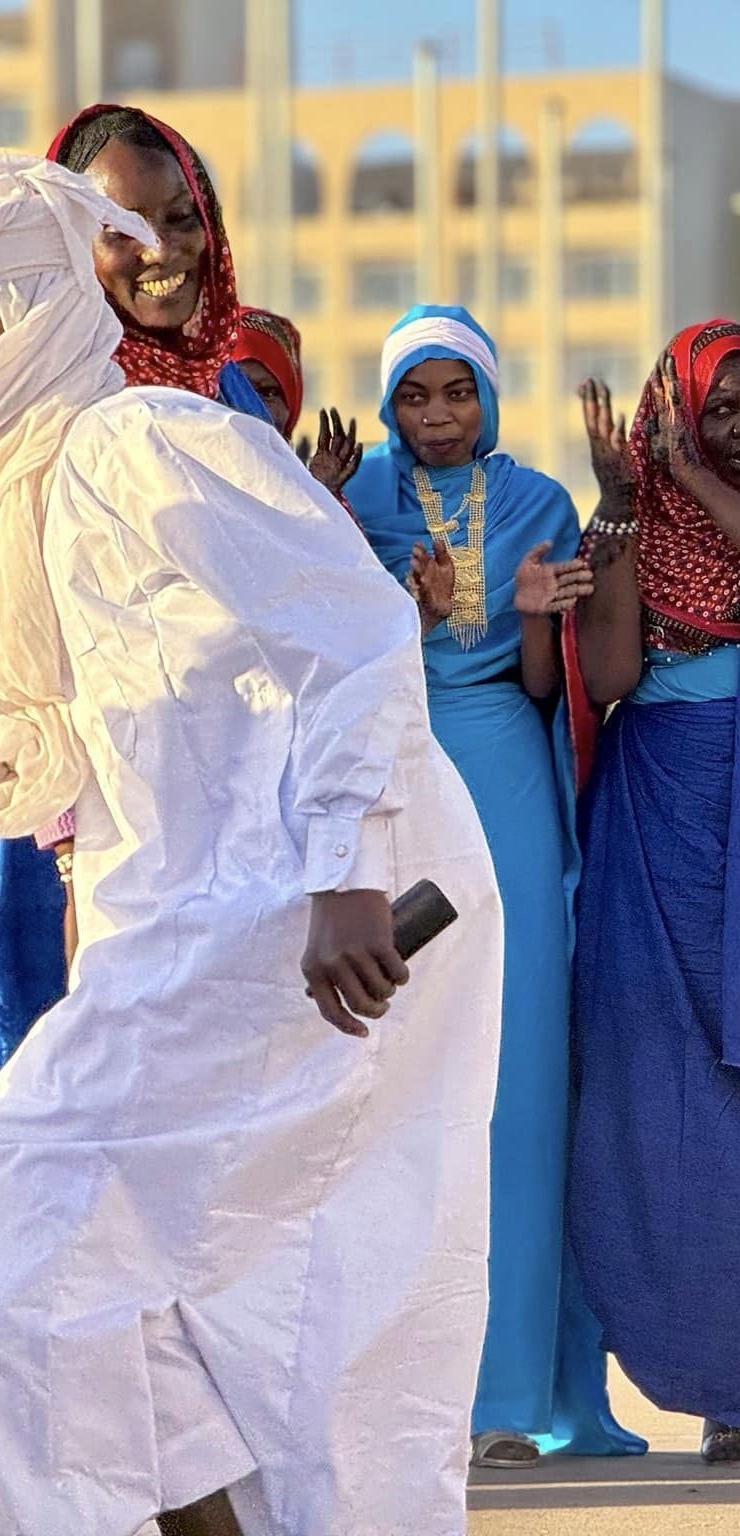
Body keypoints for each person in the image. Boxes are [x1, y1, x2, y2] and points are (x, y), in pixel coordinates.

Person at [0, 152, 502, 1536]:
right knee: (146, 1285)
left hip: (318, 901)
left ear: (45, 300)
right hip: (196, 911)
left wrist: (343, 878)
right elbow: (83, 754)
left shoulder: (142, 440)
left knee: (23, 1226)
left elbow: (351, 627)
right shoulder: (21, 493)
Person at [0, 102, 266, 1505]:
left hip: (138, 874)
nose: (161, 250)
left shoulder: (180, 423)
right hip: (9, 871)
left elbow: (244, 678)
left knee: (129, 1250)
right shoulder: (13, 433)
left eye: (182, 217)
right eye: (122, 223)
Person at [345, 304, 643, 1470]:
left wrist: (526, 616)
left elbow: (539, 684)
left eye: (453, 391)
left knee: (513, 1084)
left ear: (486, 394)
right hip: (384, 778)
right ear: (385, 406)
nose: (434, 417)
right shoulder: (348, 502)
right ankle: (385, 1387)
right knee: (390, 1080)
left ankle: (508, 1393)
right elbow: (328, 665)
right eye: (413, 396)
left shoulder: (535, 504)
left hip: (501, 784)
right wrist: (397, 617)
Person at [567, 319, 740, 1465]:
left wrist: (691, 471)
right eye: (716, 405)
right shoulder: (623, 520)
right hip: (656, 821)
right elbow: (617, 673)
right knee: (671, 1098)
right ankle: (721, 1389)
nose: (734, 426)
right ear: (667, 403)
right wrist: (629, 498)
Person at [229, 305, 364, 503]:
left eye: (269, 393)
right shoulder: (179, 478)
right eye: (238, 390)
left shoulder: (307, 489)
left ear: (291, 405)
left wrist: (320, 494)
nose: (252, 407)